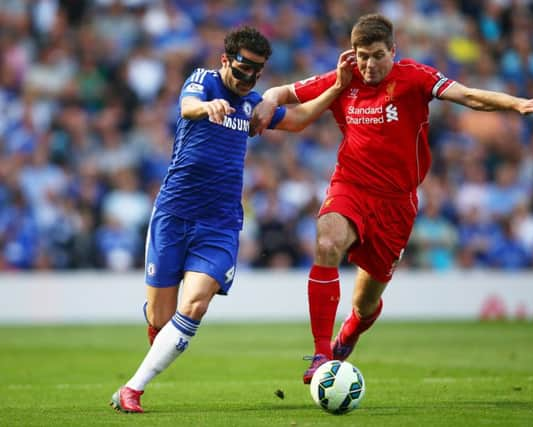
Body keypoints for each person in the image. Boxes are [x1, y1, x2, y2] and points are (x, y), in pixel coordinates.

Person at [252, 13, 533, 384]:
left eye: (377, 55)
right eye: (362, 55)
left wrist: (517, 104)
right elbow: (282, 93)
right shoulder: (343, 79)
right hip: (350, 186)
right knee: (327, 240)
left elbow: (468, 95)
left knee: (365, 305)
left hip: (397, 204)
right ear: (353, 53)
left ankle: (349, 332)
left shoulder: (415, 77)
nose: (369, 64)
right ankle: (321, 354)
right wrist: (267, 100)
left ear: (393, 51)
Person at [109, 26, 355, 413]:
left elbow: (300, 119)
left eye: (255, 73)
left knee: (195, 306)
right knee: (160, 318)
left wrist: (338, 86)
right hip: (173, 215)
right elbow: (187, 105)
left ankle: (132, 390)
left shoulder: (253, 104)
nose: (246, 80)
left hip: (220, 225)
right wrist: (207, 107)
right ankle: (159, 328)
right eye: (241, 71)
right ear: (225, 61)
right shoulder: (202, 82)